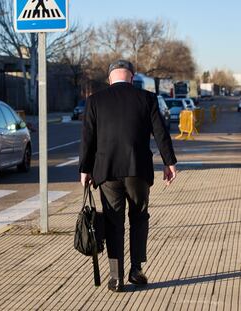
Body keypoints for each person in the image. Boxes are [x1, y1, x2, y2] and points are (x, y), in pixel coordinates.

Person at [79, 60, 177, 292]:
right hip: (138, 171)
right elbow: (161, 133)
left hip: (107, 171)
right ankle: (136, 269)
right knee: (139, 218)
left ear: (110, 78)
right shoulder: (147, 98)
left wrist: (85, 169)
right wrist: (169, 162)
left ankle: (116, 277)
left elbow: (88, 138)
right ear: (132, 77)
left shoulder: (95, 101)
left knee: (114, 222)